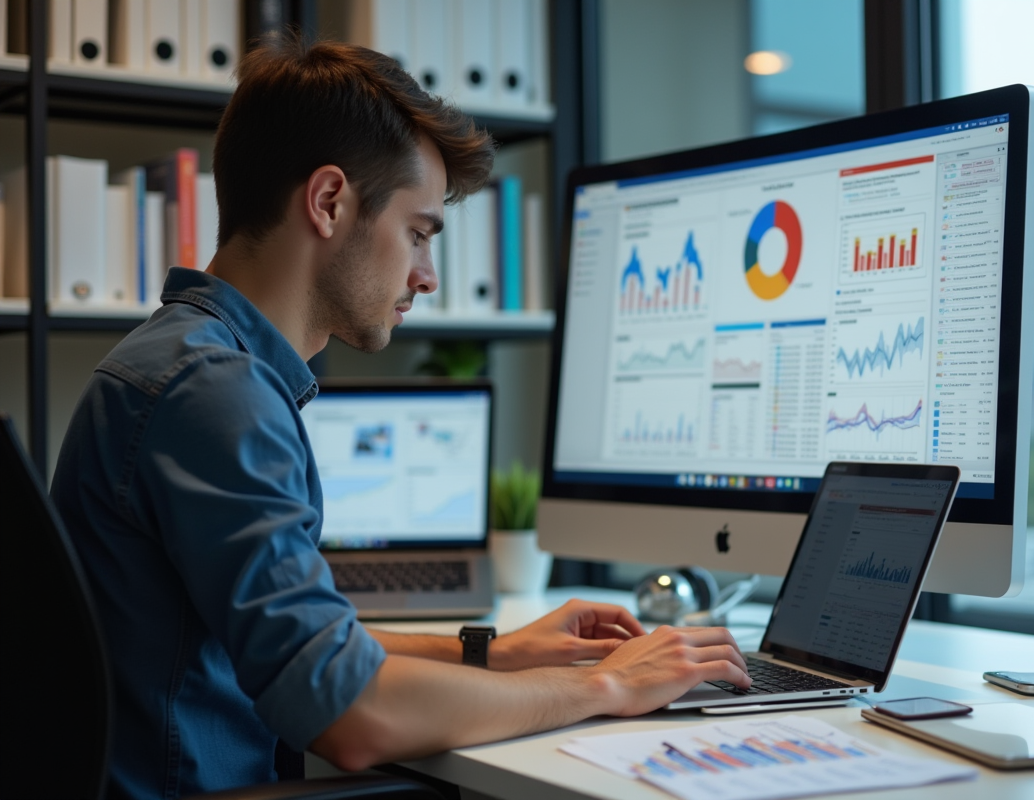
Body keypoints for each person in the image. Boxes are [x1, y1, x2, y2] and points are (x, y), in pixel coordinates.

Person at [50, 36, 750, 800]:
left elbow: (316, 645)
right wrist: (607, 686)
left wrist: (495, 652)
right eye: (417, 233)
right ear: (328, 202)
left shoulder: (189, 362)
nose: (427, 275)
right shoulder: (215, 392)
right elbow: (352, 711)